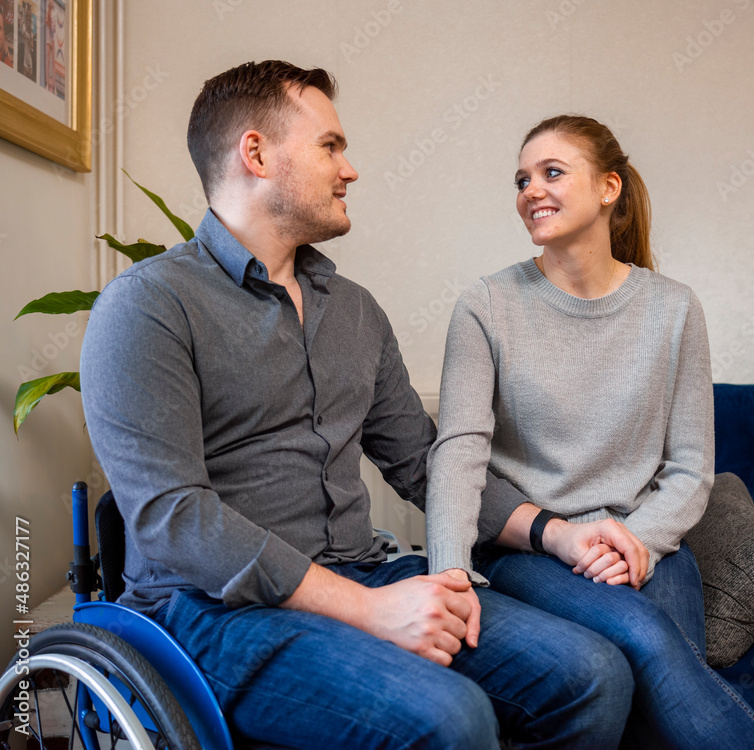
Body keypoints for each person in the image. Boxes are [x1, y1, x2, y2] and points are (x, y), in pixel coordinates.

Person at [80, 63, 634, 749]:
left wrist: (559, 532)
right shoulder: (147, 307)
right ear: (256, 154)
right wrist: (369, 611)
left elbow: (428, 466)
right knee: (452, 719)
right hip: (216, 612)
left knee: (592, 675)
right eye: (330, 146)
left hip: (365, 569)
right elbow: (173, 519)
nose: (351, 170)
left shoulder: (355, 312)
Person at [426, 114, 754, 749]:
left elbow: (690, 468)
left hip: (643, 545)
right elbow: (459, 453)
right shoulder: (486, 305)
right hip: (530, 550)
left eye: (552, 172)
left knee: (657, 682)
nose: (531, 190)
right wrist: (450, 574)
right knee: (647, 638)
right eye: (521, 179)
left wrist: (632, 543)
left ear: (609, 187)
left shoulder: (674, 308)